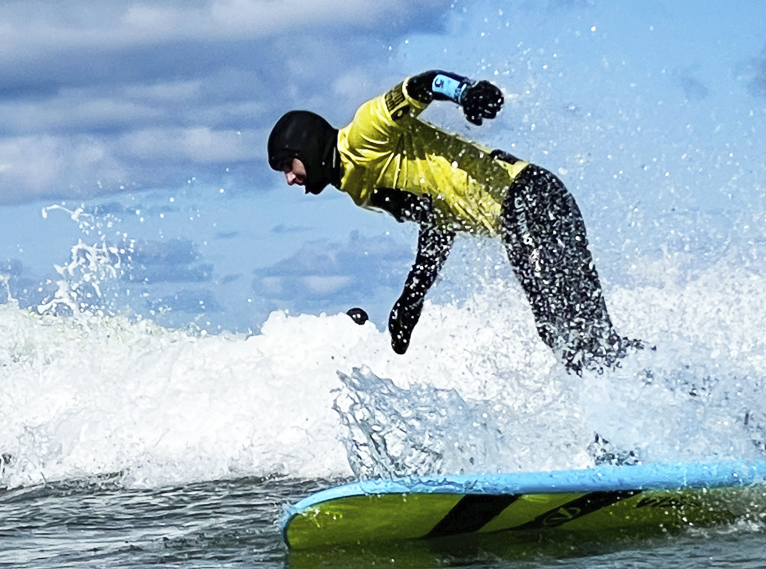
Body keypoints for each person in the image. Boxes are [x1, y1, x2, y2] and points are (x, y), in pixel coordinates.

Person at [269, 70, 638, 374]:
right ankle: (666, 388)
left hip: (529, 197)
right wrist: (412, 297)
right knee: (580, 333)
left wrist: (465, 92)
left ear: (307, 147)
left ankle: (626, 418)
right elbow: (439, 222)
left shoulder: (364, 133)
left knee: (563, 329)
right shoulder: (359, 190)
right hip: (521, 212)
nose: (290, 178)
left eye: (289, 164)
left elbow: (422, 85)